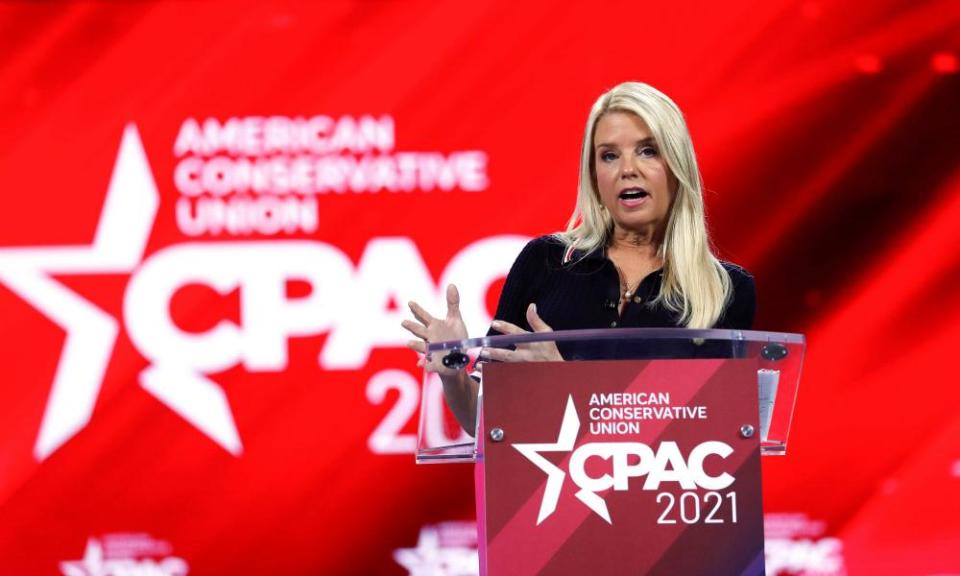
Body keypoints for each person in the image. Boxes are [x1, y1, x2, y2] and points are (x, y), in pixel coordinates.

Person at [402, 82, 756, 433]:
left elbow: (717, 433)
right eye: (609, 155)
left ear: (677, 167)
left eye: (648, 150)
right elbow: (486, 423)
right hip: (550, 489)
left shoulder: (725, 289)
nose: (627, 169)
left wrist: (565, 382)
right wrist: (454, 373)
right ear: (594, 176)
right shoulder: (545, 262)